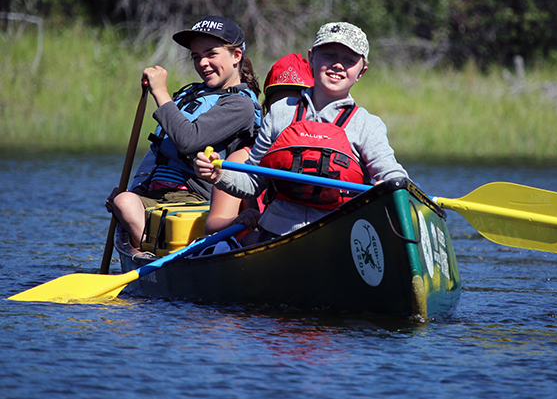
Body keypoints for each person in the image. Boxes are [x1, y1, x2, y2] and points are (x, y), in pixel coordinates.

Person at [194, 22, 409, 245]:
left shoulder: (367, 125)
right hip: (276, 239)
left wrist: (390, 188)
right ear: (312, 58)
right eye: (329, 55)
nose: (338, 65)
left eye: (349, 60)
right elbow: (252, 181)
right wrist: (218, 174)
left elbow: (393, 174)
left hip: (338, 238)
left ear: (361, 72)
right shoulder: (280, 114)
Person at [106, 15, 262, 249]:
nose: (202, 64)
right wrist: (136, 191)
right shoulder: (195, 94)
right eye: (196, 57)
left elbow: (188, 141)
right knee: (124, 201)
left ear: (236, 56)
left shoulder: (241, 105)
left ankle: (151, 253)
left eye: (211, 54)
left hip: (194, 199)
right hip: (156, 194)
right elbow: (159, 151)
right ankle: (148, 249)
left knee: (126, 203)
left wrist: (160, 92)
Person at [204, 53, 314, 235]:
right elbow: (212, 225)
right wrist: (238, 220)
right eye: (279, 105)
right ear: (267, 109)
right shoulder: (241, 160)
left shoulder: (326, 156)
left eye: (296, 105)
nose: (285, 115)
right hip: (257, 248)